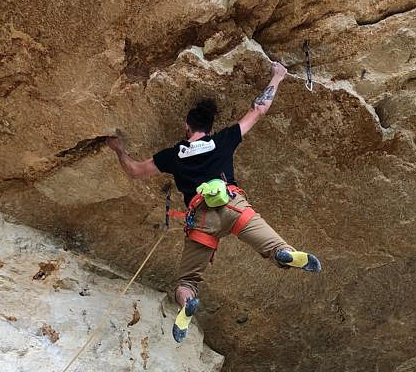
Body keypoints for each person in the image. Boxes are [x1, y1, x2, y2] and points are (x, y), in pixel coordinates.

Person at [106, 61, 321, 342]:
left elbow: (135, 171)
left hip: (202, 220)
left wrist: (119, 150)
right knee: (276, 247)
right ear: (209, 127)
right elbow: (259, 109)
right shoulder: (223, 140)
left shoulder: (173, 155)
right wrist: (277, 76)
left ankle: (187, 302)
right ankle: (284, 254)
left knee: (187, 281)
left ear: (187, 126)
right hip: (234, 207)